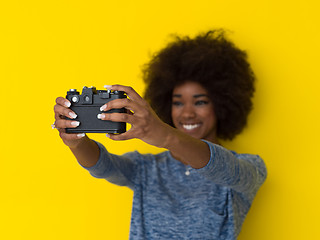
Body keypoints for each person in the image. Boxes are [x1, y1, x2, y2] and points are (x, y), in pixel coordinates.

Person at [53, 29, 267, 239]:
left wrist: (166, 136)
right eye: (178, 103)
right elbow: (103, 167)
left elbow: (225, 169)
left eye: (200, 102)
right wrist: (76, 142)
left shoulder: (249, 168)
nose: (188, 113)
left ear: (222, 104)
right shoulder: (145, 168)